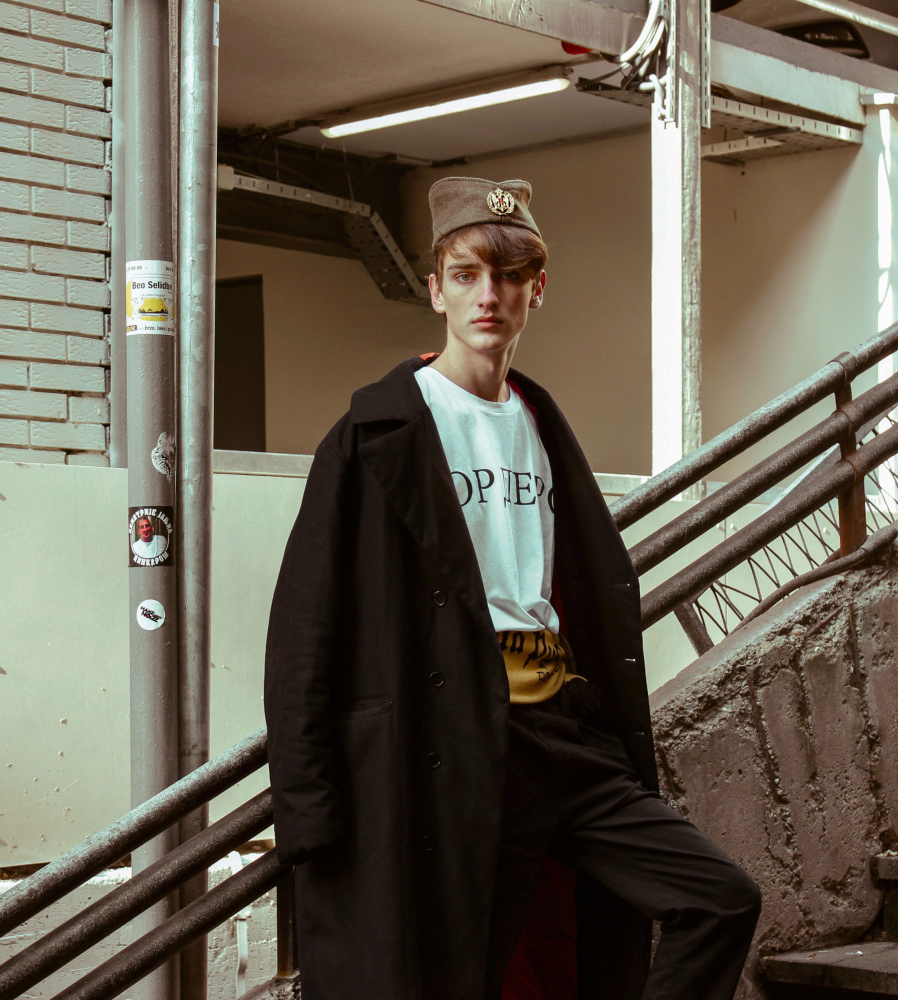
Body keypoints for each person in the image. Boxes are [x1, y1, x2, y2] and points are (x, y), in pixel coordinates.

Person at [264, 177, 762, 1000]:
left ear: (538, 289)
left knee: (717, 898)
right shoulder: (372, 434)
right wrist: (307, 810)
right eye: (466, 275)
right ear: (437, 291)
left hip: (562, 731)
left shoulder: (540, 424)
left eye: (507, 276)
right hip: (451, 741)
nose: (487, 296)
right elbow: (304, 628)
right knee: (458, 975)